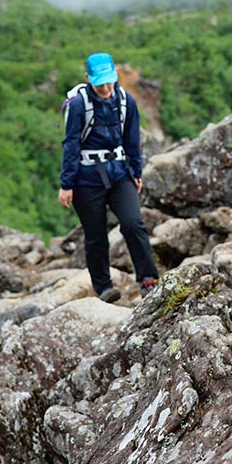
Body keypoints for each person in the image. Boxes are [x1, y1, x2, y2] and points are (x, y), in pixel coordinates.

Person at [58, 52, 159, 302]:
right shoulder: (78, 105)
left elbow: (132, 140)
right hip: (86, 178)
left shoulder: (126, 101)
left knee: (133, 224)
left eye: (109, 82)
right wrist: (66, 184)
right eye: (99, 83)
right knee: (96, 235)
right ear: (88, 78)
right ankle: (104, 287)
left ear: (115, 76)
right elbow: (71, 144)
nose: (105, 88)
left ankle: (148, 280)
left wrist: (136, 172)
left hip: (119, 173)